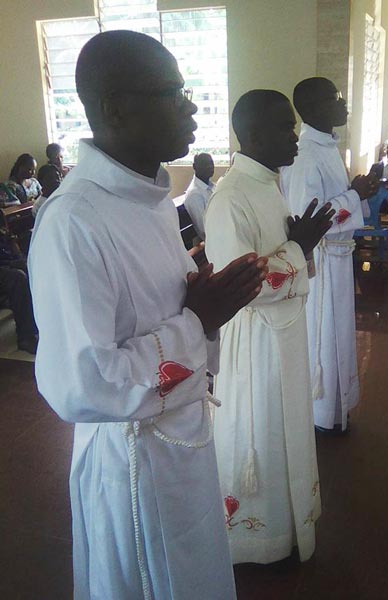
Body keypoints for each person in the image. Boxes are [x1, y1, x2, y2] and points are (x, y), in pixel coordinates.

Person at [29, 30, 269, 600]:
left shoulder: (150, 198)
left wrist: (201, 306)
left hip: (183, 440)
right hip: (132, 465)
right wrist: (195, 322)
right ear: (115, 106)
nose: (190, 106)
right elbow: (79, 381)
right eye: (172, 92)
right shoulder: (73, 220)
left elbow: (173, 313)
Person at [205, 89, 335, 565]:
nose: (295, 135)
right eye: (286, 126)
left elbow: (282, 257)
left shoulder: (266, 182)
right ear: (255, 134)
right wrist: (299, 246)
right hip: (257, 341)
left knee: (288, 430)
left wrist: (303, 243)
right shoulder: (230, 197)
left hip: (285, 334)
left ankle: (290, 527)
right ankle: (258, 540)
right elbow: (246, 285)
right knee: (261, 432)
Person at [280, 77, 376, 434]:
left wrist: (356, 193)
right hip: (322, 261)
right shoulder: (307, 153)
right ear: (315, 107)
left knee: (338, 334)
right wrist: (354, 194)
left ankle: (335, 410)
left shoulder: (326, 146)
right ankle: (321, 413)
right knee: (323, 336)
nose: (344, 103)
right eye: (336, 97)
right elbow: (308, 215)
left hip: (338, 256)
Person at [0, 226, 38, 354]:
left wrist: (19, 257)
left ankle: (42, 321)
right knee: (17, 278)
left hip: (6, 260)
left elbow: (8, 238)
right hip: (3, 265)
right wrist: (12, 264)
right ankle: (26, 337)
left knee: (32, 263)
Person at [184, 152, 215, 240]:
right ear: (194, 166)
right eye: (205, 164)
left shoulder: (212, 187)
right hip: (213, 241)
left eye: (211, 163)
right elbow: (204, 229)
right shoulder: (195, 194)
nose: (210, 167)